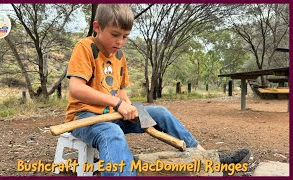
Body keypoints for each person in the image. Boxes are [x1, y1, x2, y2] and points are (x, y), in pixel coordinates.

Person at [66, 4, 251, 176]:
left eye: (125, 36)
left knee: (160, 113)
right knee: (112, 134)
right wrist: (118, 104)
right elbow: (76, 89)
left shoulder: (119, 56)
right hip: (85, 118)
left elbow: (119, 90)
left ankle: (210, 158)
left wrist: (129, 107)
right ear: (97, 27)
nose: (120, 42)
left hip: (113, 115)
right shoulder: (85, 47)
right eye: (115, 35)